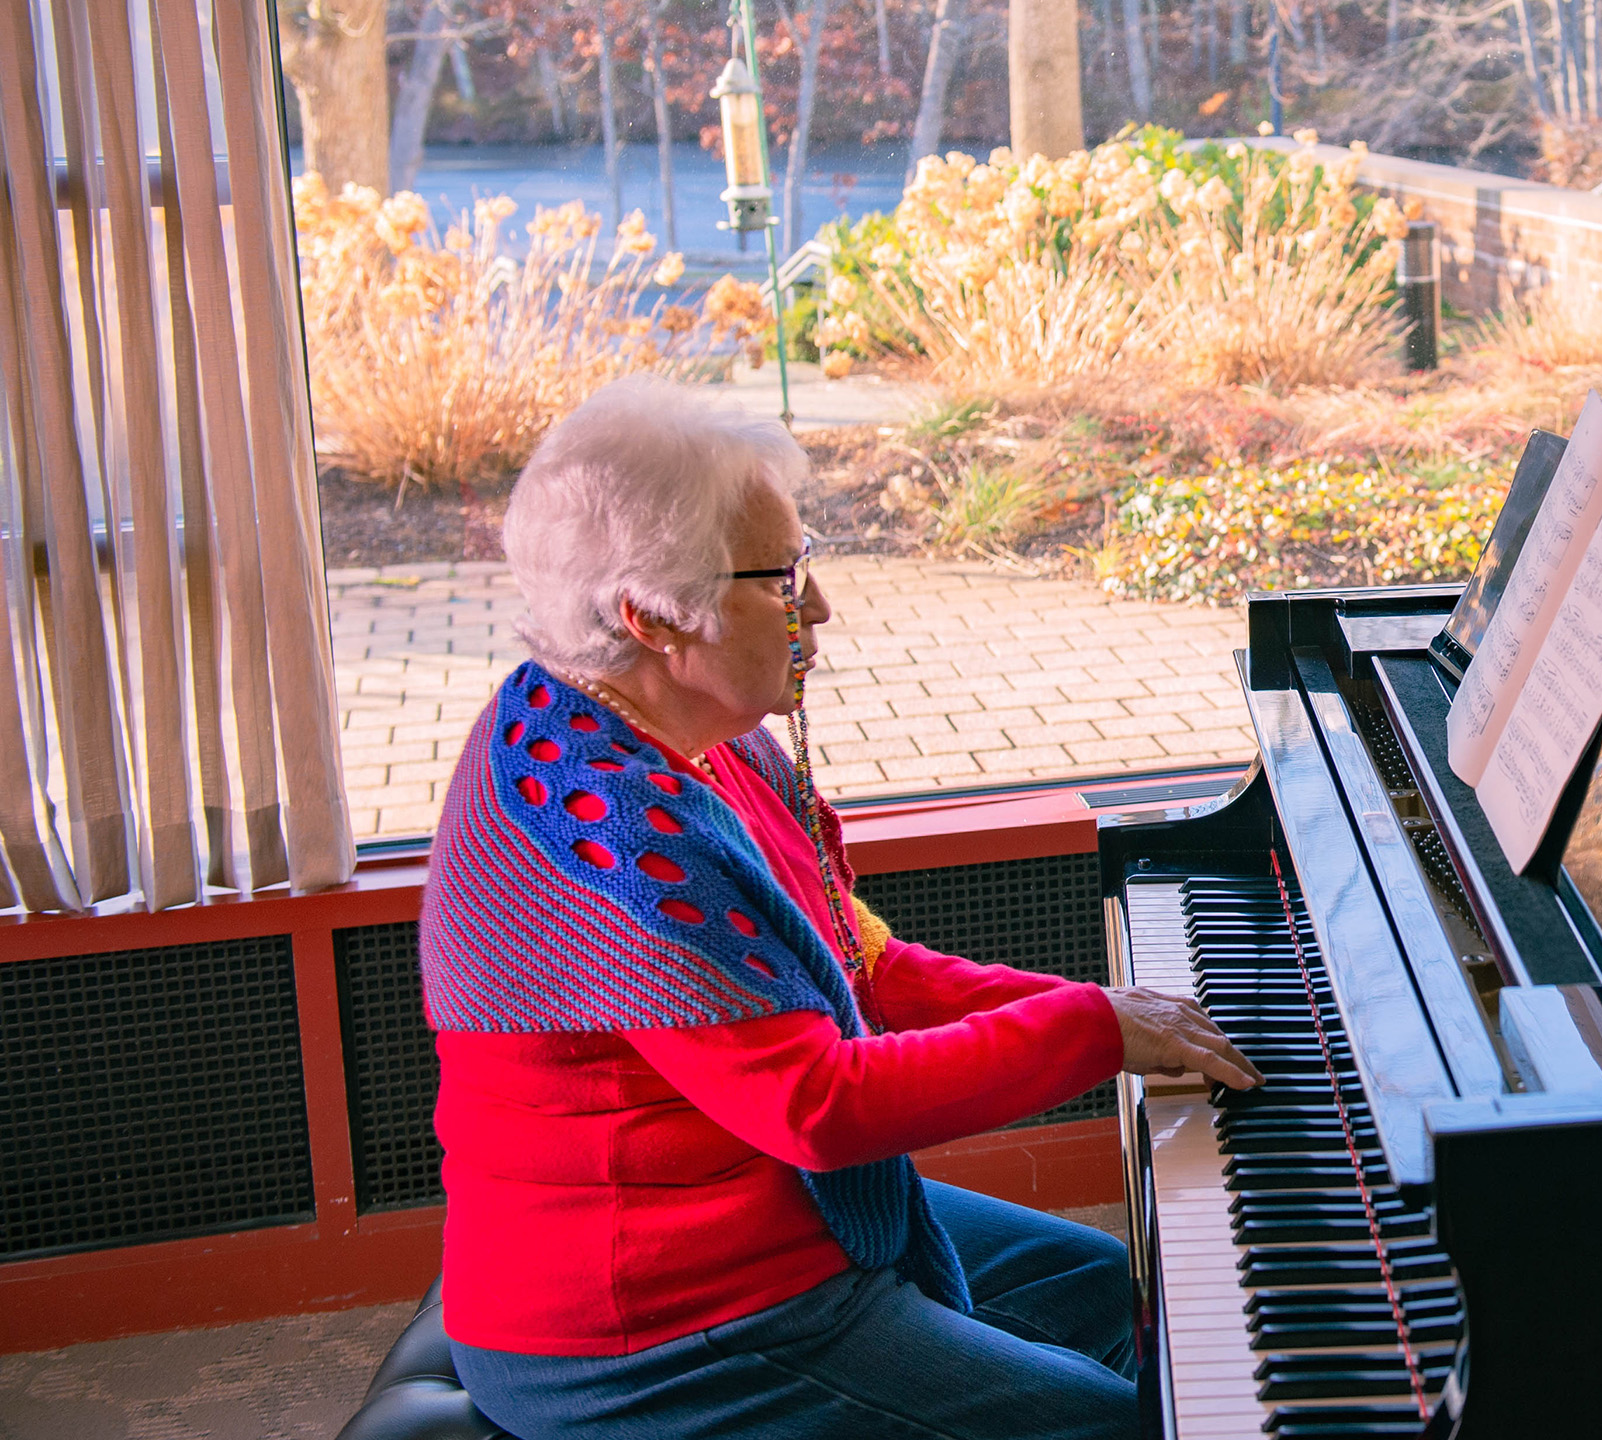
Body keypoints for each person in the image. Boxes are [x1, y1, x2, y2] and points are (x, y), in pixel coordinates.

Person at [420, 376, 1260, 1439]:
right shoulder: (607, 832)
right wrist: (1094, 1031)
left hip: (764, 1222)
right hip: (653, 1332)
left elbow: (864, 969)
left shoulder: (705, 744)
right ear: (650, 617)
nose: (820, 609)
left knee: (1154, 1305)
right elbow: (819, 1110)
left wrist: (1112, 1002)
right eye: (783, 580)